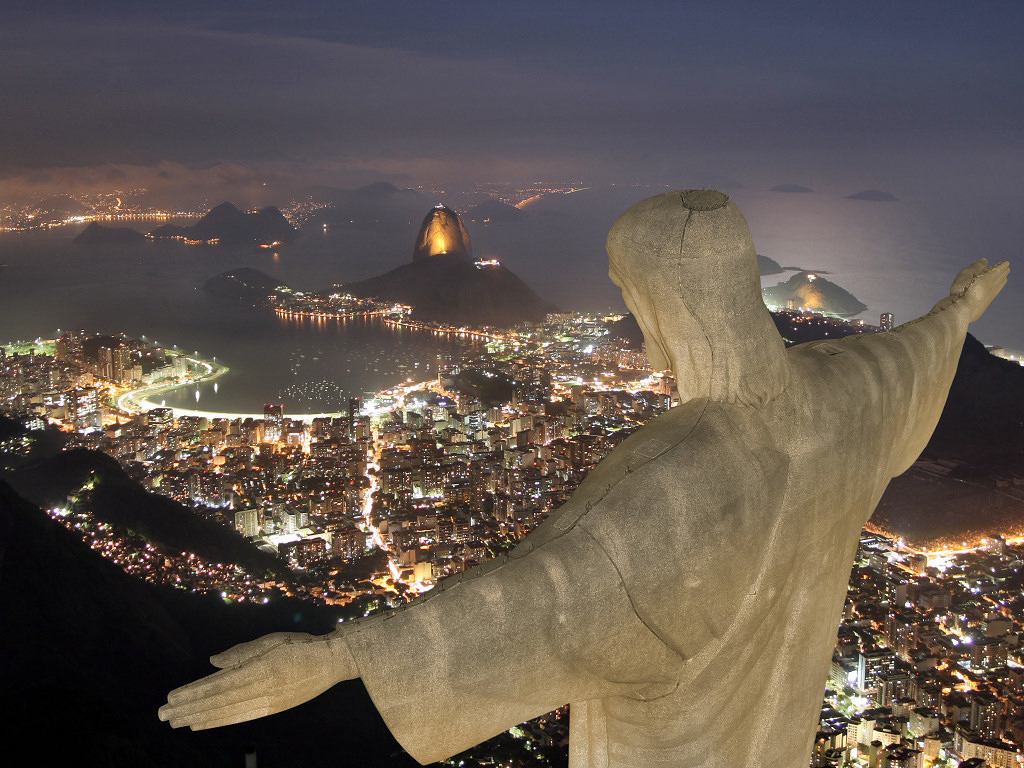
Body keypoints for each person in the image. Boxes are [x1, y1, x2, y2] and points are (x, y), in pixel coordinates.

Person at [160, 189, 1008, 768]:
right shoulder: (844, 395)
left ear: (666, 306)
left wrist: (338, 659)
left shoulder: (679, 478)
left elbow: (540, 598)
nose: (639, 336)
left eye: (635, 303)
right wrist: (960, 309)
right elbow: (913, 354)